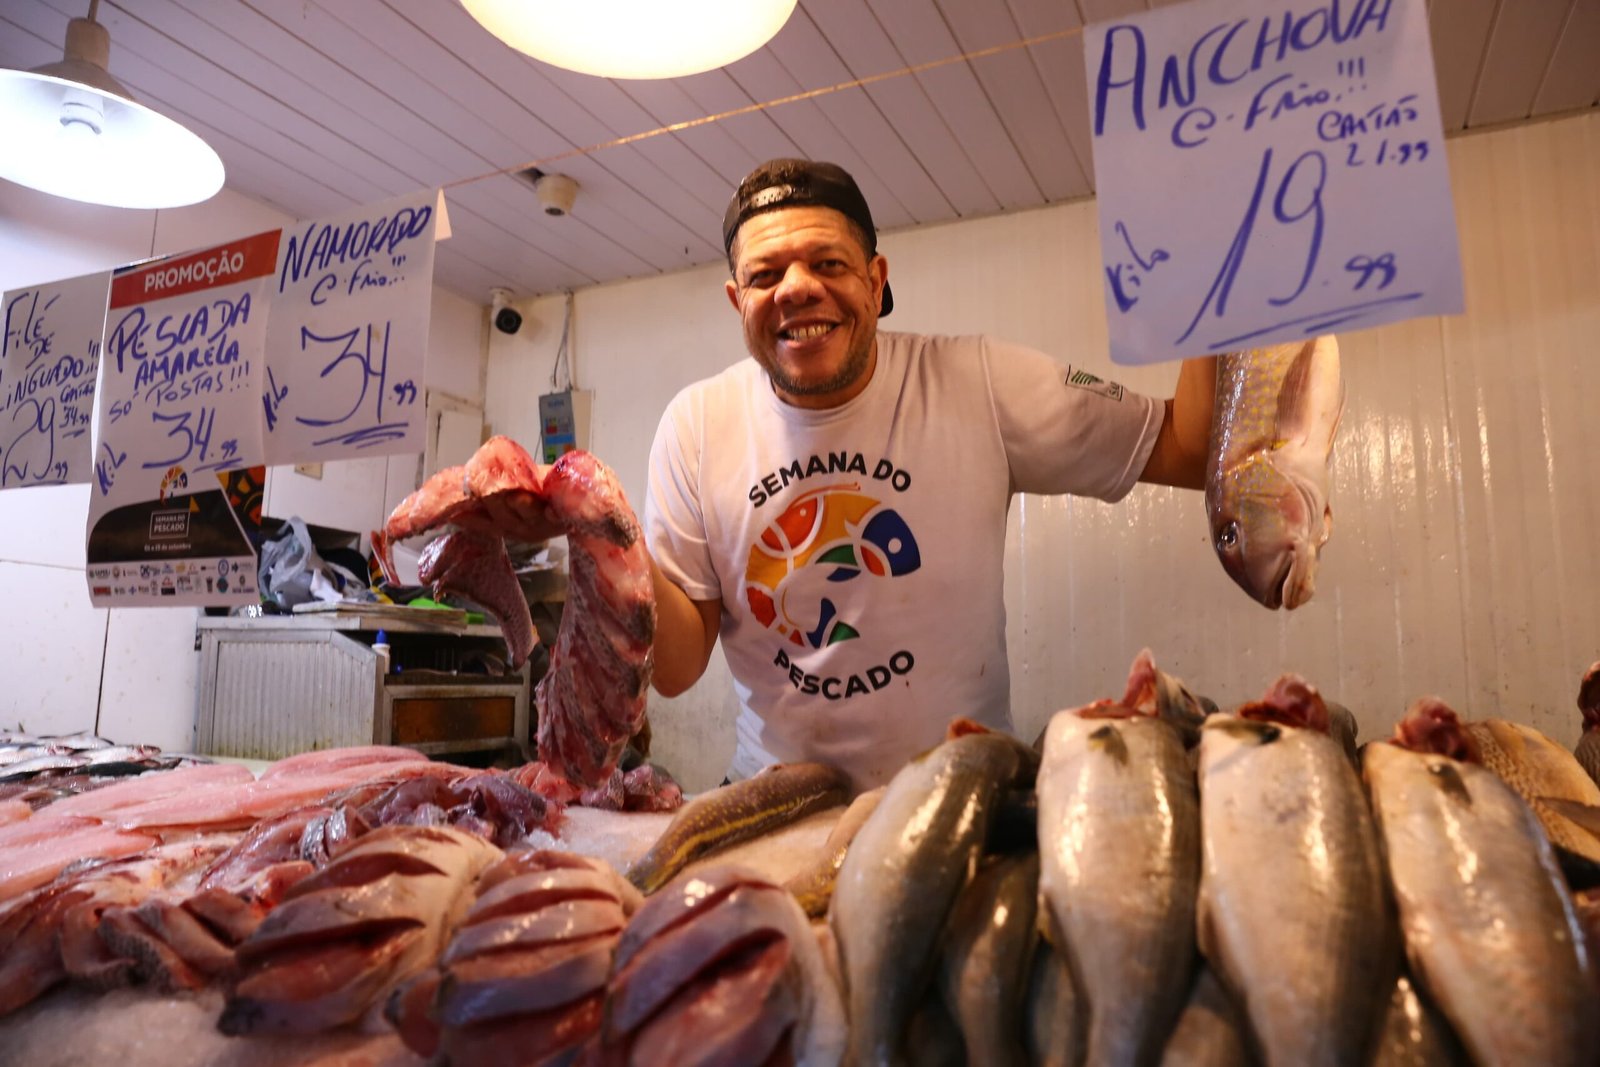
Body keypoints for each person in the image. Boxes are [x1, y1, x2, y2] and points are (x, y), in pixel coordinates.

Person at [643, 159, 1216, 790]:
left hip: (966, 797)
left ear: (875, 277)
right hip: (775, 806)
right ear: (738, 300)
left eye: (829, 263)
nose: (796, 288)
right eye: (765, 275)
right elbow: (674, 670)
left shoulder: (981, 382)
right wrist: (596, 527)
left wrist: (1211, 258)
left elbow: (1186, 447)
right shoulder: (695, 425)